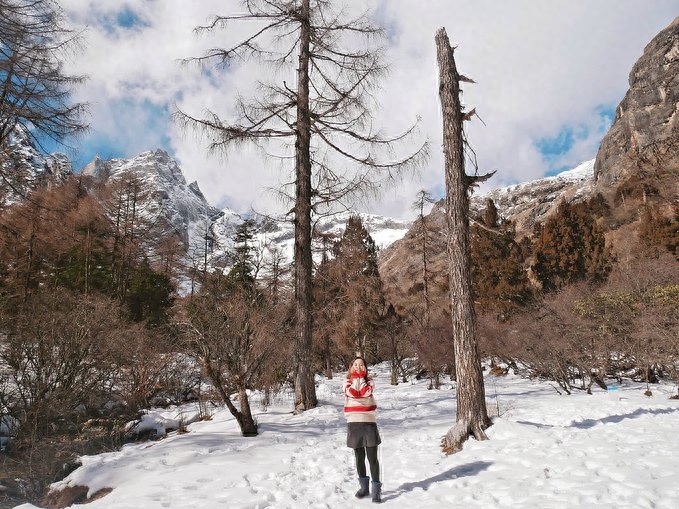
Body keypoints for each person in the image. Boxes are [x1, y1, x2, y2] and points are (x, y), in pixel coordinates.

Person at [344, 356, 382, 503]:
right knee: (359, 458)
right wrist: (355, 378)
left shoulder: (370, 382)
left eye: (361, 365)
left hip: (369, 423)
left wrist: (361, 378)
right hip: (354, 423)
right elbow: (353, 393)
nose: (358, 367)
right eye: (355, 365)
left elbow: (364, 393)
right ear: (351, 367)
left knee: (372, 458)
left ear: (365, 368)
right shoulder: (346, 382)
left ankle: (376, 490)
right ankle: (364, 488)